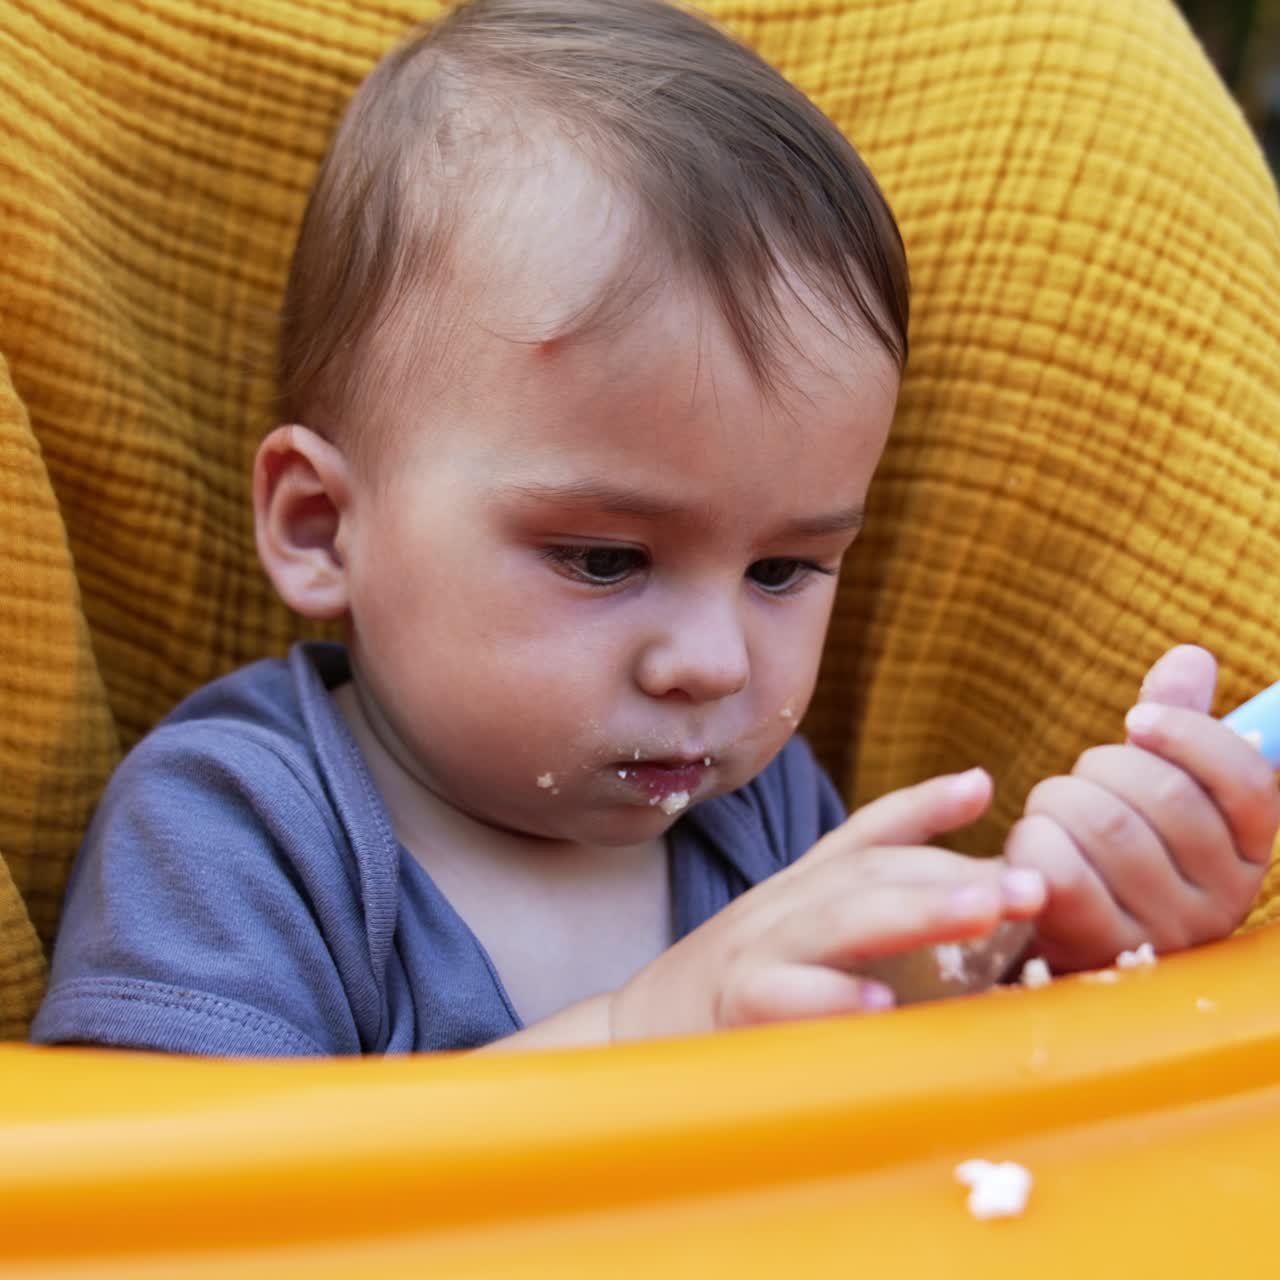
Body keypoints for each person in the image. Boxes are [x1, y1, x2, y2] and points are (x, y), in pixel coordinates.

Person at [31, 0, 1279, 1056]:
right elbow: (181, 1201)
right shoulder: (236, 827)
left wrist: (1056, 938)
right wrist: (640, 1033)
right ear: (319, 527)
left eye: (783, 566)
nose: (715, 662)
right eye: (604, 558)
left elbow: (889, 1101)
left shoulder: (765, 814)